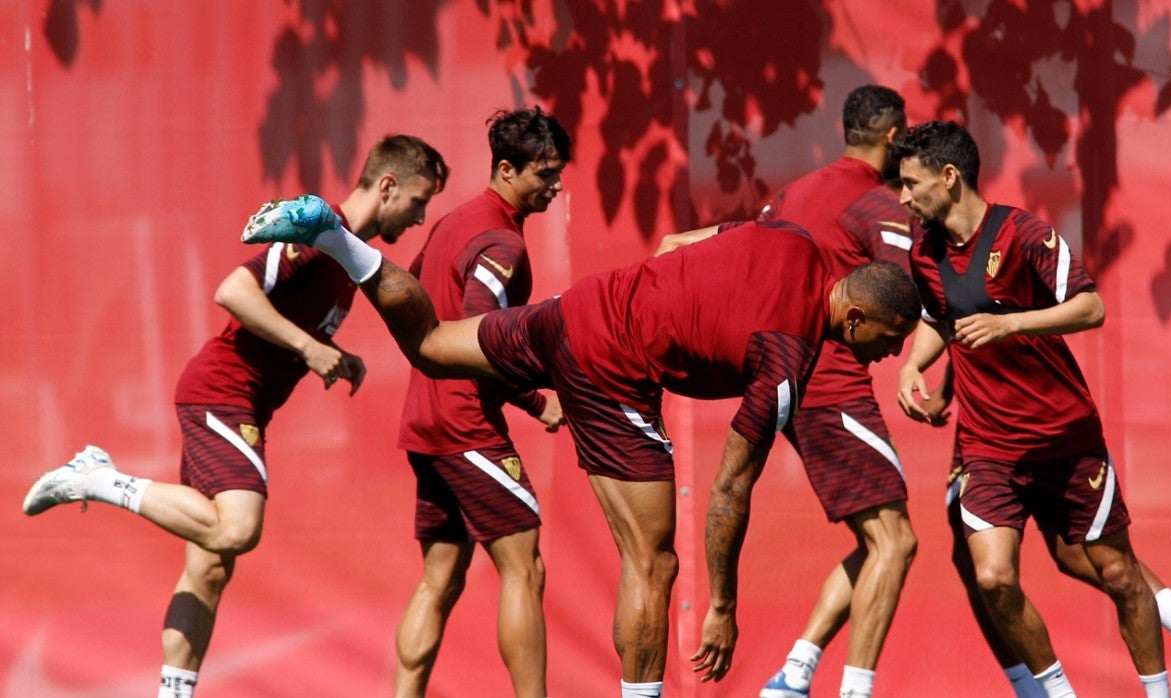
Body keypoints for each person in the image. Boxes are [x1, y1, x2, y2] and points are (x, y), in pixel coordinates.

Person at [239, 194, 922, 697]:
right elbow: (729, 489)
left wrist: (670, 310)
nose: (885, 357)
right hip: (612, 365)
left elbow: (680, 243)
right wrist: (722, 608)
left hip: (586, 306)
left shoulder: (792, 237)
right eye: (887, 342)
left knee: (432, 348)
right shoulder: (788, 357)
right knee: (653, 565)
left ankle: (335, 237)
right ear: (855, 314)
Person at [21, 135, 449, 698]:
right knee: (238, 527)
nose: (420, 218)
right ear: (387, 185)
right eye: (419, 201)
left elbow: (292, 325)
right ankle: (96, 477)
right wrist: (310, 347)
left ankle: (174, 692)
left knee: (209, 569)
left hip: (239, 403)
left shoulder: (346, 260)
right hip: (221, 394)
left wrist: (334, 355)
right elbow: (234, 290)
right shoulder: (315, 229)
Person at [893, 119, 1169, 697]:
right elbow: (938, 319)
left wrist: (1011, 321)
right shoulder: (924, 253)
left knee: (1118, 574)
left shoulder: (1022, 233)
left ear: (948, 178)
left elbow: (1090, 308)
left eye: (911, 183)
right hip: (989, 447)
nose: (903, 197)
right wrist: (914, 365)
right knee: (993, 578)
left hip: (1067, 439)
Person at [659, 84, 917, 698]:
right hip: (831, 380)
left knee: (879, 540)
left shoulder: (797, 191)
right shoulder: (879, 202)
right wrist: (923, 363)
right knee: (896, 541)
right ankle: (851, 690)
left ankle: (794, 675)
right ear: (890, 137)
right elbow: (901, 295)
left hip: (793, 372)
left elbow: (710, 245)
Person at [920, 363, 1171, 698]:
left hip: (1015, 424)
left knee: (998, 567)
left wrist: (926, 371)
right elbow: (960, 321)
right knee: (1064, 556)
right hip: (998, 410)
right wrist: (932, 376)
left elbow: (1081, 310)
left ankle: (1036, 691)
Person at [393, 107, 570, 698]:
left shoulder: (452, 222)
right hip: (466, 424)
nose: (555, 186)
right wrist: (533, 398)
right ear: (506, 169)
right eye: (545, 175)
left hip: (424, 421)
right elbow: (479, 328)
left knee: (439, 578)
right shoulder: (502, 240)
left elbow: (411, 296)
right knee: (526, 569)